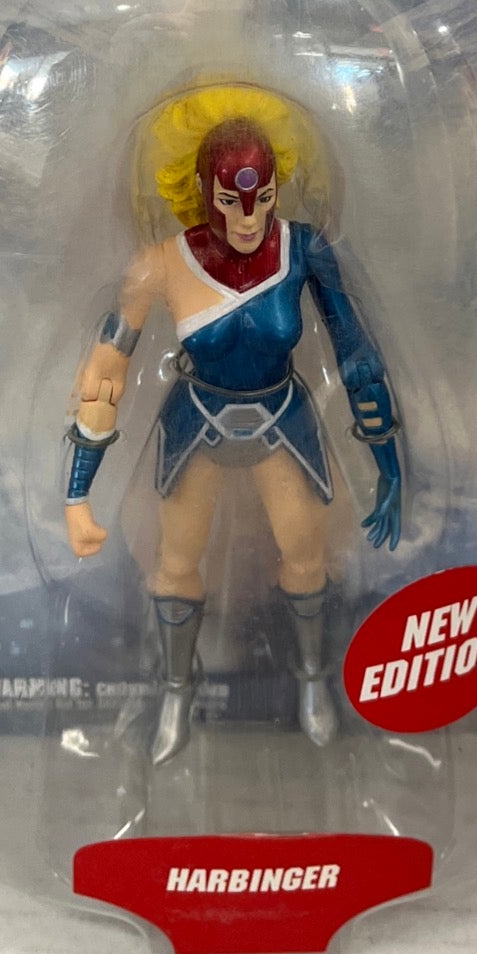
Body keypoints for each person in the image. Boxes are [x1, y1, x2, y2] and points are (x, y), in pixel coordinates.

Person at [62, 85, 405, 763]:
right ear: (203, 191)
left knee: (306, 555)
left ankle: (313, 677)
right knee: (175, 564)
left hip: (283, 415)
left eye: (263, 197)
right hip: (198, 420)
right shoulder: (160, 264)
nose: (248, 219)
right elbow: (102, 380)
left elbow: (357, 357)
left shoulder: (304, 248)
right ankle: (176, 691)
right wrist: (77, 495)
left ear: (276, 188)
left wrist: (390, 467)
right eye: (230, 200)